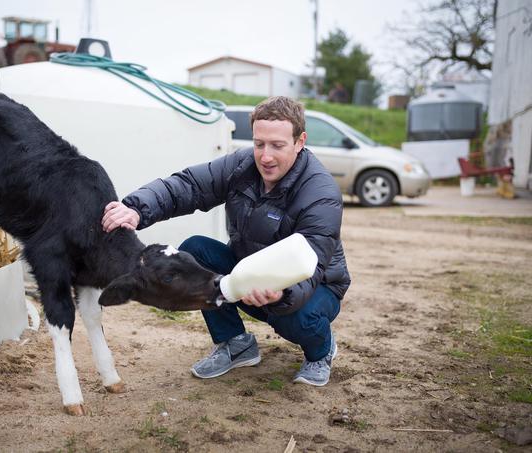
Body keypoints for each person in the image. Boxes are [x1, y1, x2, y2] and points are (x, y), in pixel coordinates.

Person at [101, 96, 350, 386]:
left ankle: (321, 351)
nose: (265, 156)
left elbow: (312, 262)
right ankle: (236, 343)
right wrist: (136, 209)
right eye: (259, 144)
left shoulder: (320, 193)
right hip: (253, 271)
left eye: (277, 146)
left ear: (300, 141)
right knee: (196, 250)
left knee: (291, 318)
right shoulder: (242, 165)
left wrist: (282, 295)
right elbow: (189, 186)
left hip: (312, 286)